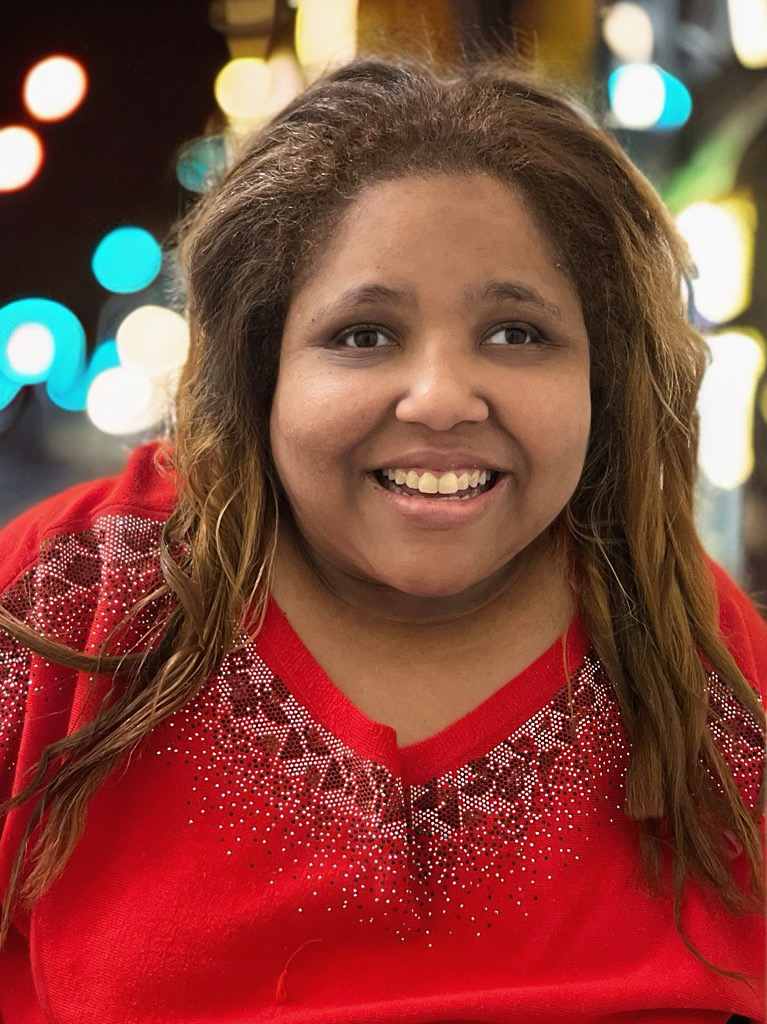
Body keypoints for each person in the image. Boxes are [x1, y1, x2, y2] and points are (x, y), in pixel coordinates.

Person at [0, 54, 764, 1024]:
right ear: (260, 366)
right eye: (363, 334)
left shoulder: (690, 646)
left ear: (601, 385)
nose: (441, 396)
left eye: (517, 333)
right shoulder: (68, 599)